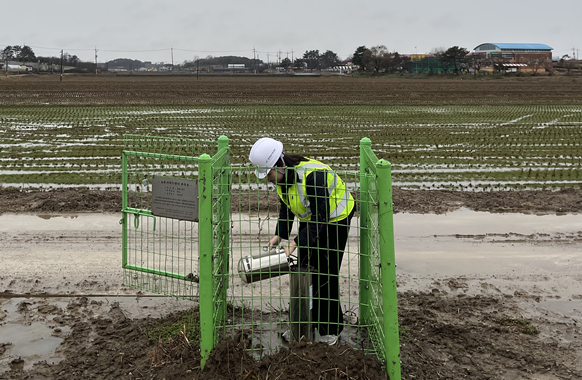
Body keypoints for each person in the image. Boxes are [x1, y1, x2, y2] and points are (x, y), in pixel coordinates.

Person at [249, 137, 355, 345]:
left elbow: (322, 216)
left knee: (325, 273)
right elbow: (287, 206)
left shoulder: (311, 176)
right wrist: (280, 234)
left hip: (336, 218)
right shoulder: (283, 178)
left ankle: (329, 330)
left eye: (268, 174)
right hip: (312, 217)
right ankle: (304, 326)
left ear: (278, 166)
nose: (267, 179)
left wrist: (296, 242)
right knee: (305, 269)